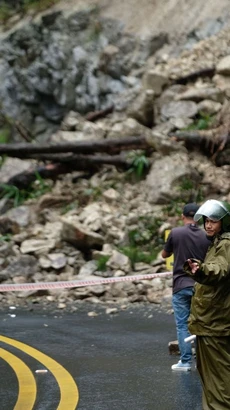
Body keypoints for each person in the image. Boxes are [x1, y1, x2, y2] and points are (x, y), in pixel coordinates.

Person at [184, 199, 230, 409]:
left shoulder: (226, 244)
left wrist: (201, 270)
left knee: (218, 383)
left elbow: (219, 269)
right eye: (206, 221)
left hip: (215, 325)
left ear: (224, 222)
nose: (209, 225)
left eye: (214, 221)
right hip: (212, 323)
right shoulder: (219, 242)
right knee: (214, 380)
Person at [161, 203, 210, 371]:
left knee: (183, 325)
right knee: (202, 323)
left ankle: (186, 361)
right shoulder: (206, 236)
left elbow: (164, 254)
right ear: (199, 218)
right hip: (202, 286)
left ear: (183, 217)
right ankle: (205, 362)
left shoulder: (175, 233)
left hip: (181, 285)